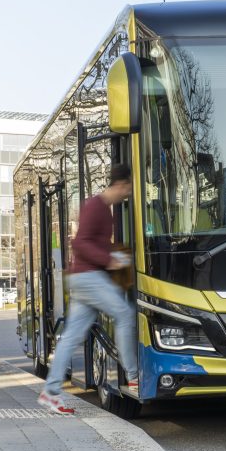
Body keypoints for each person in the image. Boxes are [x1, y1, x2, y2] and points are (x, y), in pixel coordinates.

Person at [38, 164, 137, 415]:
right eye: (129, 187)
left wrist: (114, 254)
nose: (129, 193)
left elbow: (93, 243)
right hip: (88, 278)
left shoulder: (104, 210)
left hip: (83, 278)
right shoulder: (96, 206)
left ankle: (50, 392)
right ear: (122, 184)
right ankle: (134, 375)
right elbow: (80, 243)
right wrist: (109, 260)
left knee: (71, 337)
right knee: (125, 314)